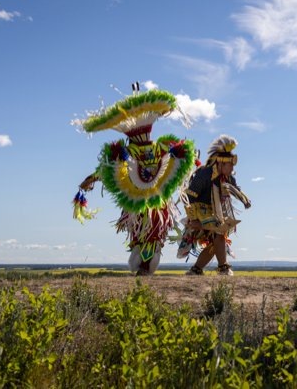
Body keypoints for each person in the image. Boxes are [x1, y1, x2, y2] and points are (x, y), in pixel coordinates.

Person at [72, 86, 196, 275]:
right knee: (150, 235)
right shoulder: (159, 147)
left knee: (147, 234)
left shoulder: (134, 151)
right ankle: (144, 267)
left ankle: (144, 267)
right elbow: (183, 155)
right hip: (152, 203)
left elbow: (107, 170)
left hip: (146, 204)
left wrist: (89, 180)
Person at [176, 135, 251, 276]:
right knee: (219, 232)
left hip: (214, 213)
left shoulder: (227, 178)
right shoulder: (204, 174)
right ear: (221, 163)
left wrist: (244, 200)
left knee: (216, 242)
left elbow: (235, 189)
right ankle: (223, 267)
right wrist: (194, 220)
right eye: (231, 164)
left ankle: (196, 269)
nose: (232, 167)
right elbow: (189, 197)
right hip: (199, 211)